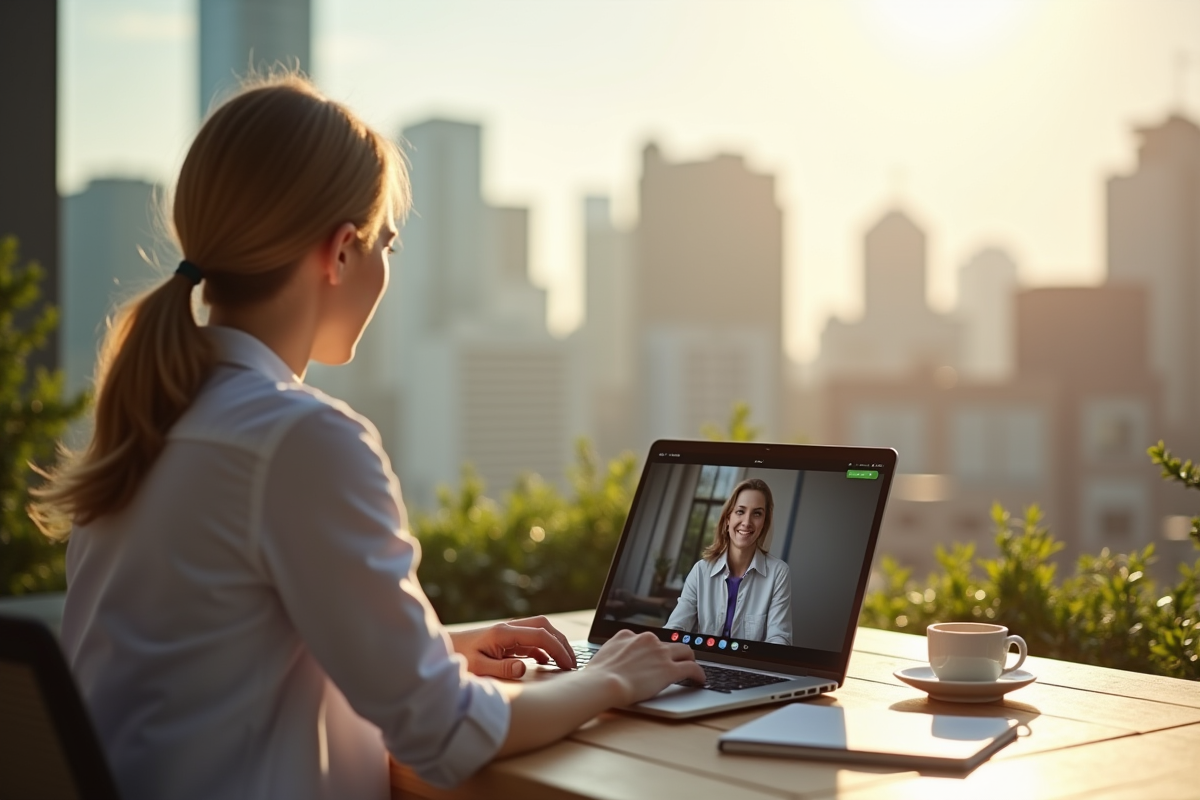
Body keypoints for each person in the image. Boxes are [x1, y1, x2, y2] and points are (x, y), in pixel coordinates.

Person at [31, 73, 705, 800]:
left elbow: (220, 653)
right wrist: (610, 680)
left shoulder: (151, 422)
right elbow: (444, 736)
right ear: (341, 252)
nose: (386, 267)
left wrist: (440, 651)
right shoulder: (299, 440)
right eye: (388, 242)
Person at [664, 478, 793, 645]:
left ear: (764, 523)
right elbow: (675, 628)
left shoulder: (778, 573)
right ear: (727, 519)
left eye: (757, 514)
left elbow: (779, 639)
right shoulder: (700, 571)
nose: (746, 522)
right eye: (740, 511)